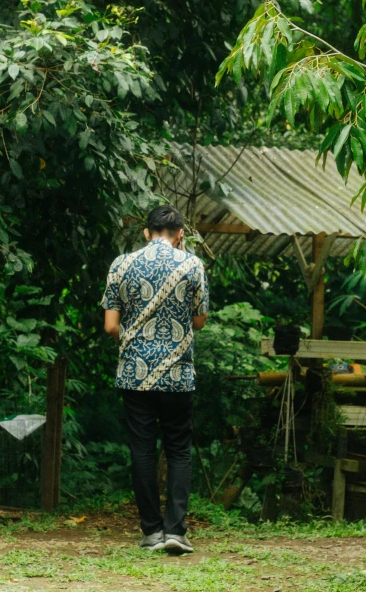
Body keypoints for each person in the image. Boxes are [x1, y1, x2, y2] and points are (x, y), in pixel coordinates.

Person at [102, 205, 209, 554]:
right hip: (178, 375)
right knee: (178, 450)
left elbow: (110, 326)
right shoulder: (192, 264)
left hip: (135, 375)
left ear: (146, 233)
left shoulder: (122, 264)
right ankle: (176, 530)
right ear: (180, 234)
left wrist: (138, 345)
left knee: (142, 450)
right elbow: (199, 321)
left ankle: (151, 532)